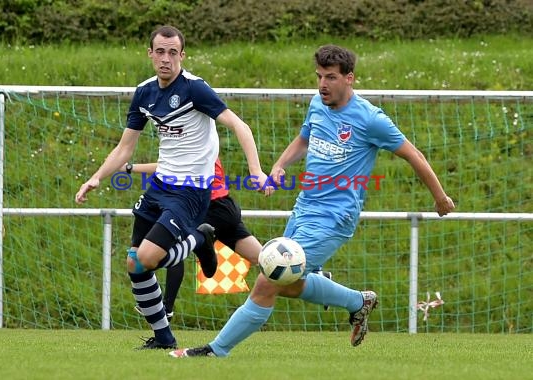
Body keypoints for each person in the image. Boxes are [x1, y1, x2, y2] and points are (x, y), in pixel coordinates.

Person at [169, 44, 456, 358]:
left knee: (269, 279)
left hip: (335, 217)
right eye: (319, 76)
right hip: (304, 208)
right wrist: (279, 165)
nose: (322, 84)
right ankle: (358, 302)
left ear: (350, 79)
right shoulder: (318, 105)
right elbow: (305, 138)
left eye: (330, 77)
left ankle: (215, 350)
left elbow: (413, 154)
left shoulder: (371, 119)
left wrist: (440, 197)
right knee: (289, 284)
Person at [75, 25, 270, 350]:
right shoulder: (145, 92)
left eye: (173, 52)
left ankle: (198, 238)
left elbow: (240, 125)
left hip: (191, 191)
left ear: (182, 55)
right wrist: (97, 176)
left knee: (150, 257)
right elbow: (125, 148)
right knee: (135, 263)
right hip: (161, 185)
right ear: (150, 54)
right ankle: (164, 337)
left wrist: (256, 170)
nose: (166, 58)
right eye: (160, 51)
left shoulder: (195, 89)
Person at [127, 158, 335, 320]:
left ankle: (167, 308)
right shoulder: (190, 139)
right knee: (266, 261)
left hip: (213, 208)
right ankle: (319, 279)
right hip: (223, 208)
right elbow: (165, 167)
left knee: (171, 243)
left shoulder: (197, 139)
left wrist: (131, 167)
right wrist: (132, 168)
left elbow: (166, 168)